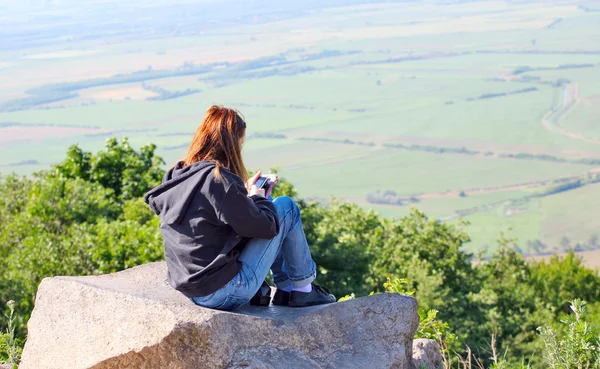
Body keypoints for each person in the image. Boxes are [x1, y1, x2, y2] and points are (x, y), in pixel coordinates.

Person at [144, 105, 335, 310]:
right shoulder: (218, 179)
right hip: (223, 291)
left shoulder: (179, 175)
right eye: (240, 144)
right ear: (231, 144)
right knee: (285, 207)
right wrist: (257, 197)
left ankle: (286, 290)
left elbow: (209, 219)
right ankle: (302, 289)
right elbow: (265, 228)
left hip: (192, 290)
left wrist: (242, 195)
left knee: (266, 210)